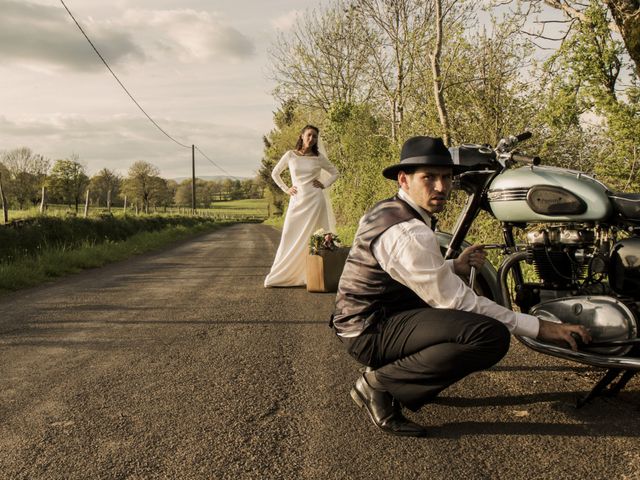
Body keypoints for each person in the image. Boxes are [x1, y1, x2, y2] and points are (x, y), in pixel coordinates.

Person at [330, 135, 591, 437]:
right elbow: (457, 302)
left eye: (446, 177)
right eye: (429, 178)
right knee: (487, 335)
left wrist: (455, 266)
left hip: (371, 316)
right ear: (404, 179)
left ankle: (399, 375)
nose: (441, 188)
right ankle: (380, 385)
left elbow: (406, 272)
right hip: (369, 329)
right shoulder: (408, 231)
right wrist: (541, 327)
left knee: (470, 323)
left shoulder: (390, 209)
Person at [264, 125, 339, 287]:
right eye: (309, 135)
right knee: (289, 235)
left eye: (315, 136)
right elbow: (275, 173)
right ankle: (283, 274)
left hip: (315, 201)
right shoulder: (290, 155)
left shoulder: (318, 157)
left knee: (314, 237)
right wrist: (287, 189)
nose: (312, 139)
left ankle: (311, 274)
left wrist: (324, 184)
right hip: (297, 201)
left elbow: (335, 173)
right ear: (302, 136)